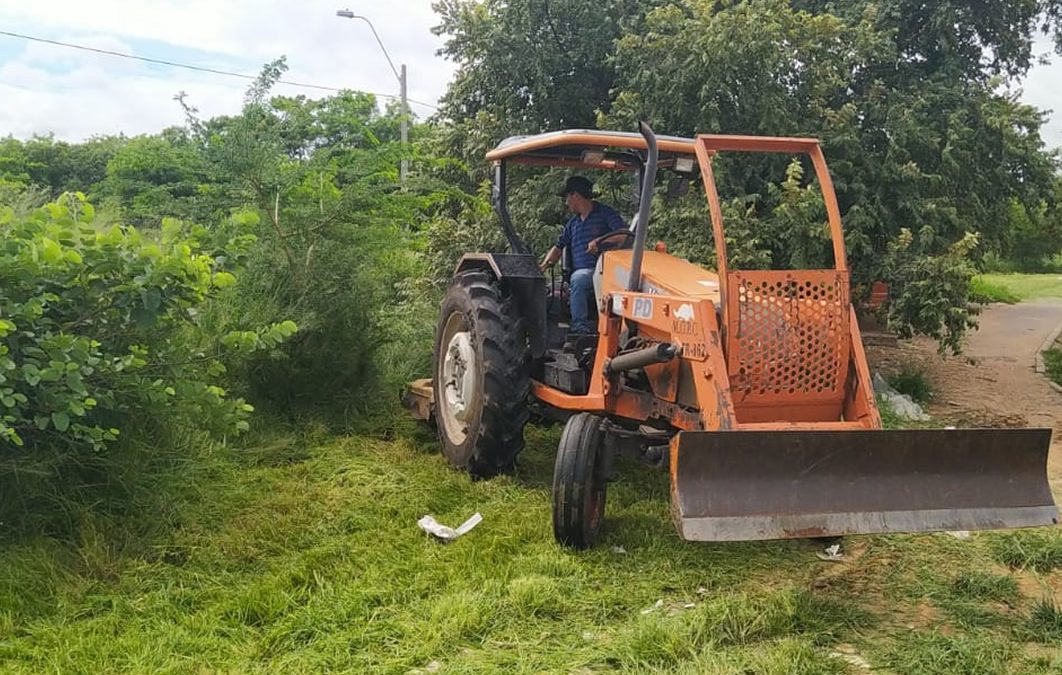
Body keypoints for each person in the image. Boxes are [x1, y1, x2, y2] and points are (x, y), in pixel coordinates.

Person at [539, 176, 625, 335]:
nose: (566, 203)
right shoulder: (573, 224)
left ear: (576, 196)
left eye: (567, 198)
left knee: (578, 278)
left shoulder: (605, 214)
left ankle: (580, 327)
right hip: (583, 273)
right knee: (575, 279)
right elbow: (558, 247)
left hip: (605, 270)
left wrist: (599, 242)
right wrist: (543, 266)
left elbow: (622, 235)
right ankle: (580, 327)